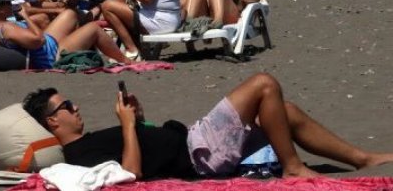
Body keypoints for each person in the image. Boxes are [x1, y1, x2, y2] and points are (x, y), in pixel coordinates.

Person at [23, 73, 393, 180]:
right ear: (53, 120)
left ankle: (361, 158)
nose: (76, 107)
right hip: (199, 153)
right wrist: (127, 126)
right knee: (264, 84)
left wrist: (137, 118)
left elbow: (139, 149)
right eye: (67, 106)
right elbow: (130, 173)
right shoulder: (78, 154)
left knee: (284, 110)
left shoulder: (88, 141)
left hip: (193, 140)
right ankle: (293, 167)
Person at [0, 0, 131, 69]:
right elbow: (39, 40)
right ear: (0, 9)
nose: (12, 5)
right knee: (93, 28)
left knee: (70, 14)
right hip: (51, 56)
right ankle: (125, 61)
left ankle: (84, 50)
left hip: (48, 47)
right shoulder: (7, 27)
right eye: (8, 3)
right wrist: (25, 16)